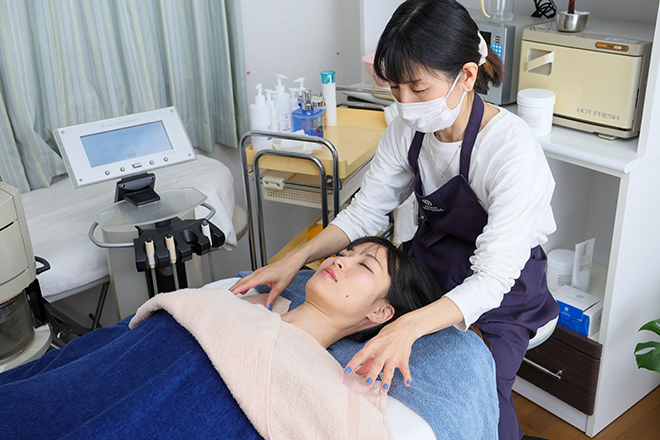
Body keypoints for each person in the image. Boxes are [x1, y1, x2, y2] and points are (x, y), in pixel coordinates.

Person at [230, 1, 559, 439]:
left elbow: (494, 275)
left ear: (465, 76)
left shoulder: (510, 151)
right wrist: (297, 258)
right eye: (395, 88)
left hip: (505, 291)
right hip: (429, 262)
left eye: (418, 89)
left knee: (475, 383)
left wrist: (407, 325)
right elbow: (366, 211)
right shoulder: (407, 129)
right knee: (387, 370)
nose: (404, 104)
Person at [1, 237, 458, 440]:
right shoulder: (222, 304)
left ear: (380, 313)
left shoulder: (331, 387)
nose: (340, 259)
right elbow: (104, 355)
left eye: (364, 266)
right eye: (344, 251)